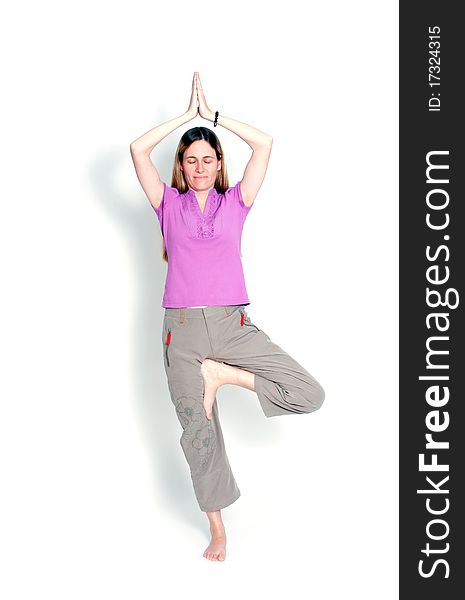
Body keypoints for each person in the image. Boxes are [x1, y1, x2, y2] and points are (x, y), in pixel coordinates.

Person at [130, 72, 325, 562]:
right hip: (182, 332)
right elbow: (137, 150)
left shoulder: (236, 201)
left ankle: (223, 375)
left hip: (232, 326)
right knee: (198, 430)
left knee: (308, 392)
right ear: (182, 165)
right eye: (190, 159)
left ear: (219, 164)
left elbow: (265, 144)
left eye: (207, 158)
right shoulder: (166, 205)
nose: (199, 166)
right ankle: (218, 529)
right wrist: (183, 118)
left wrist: (212, 116)